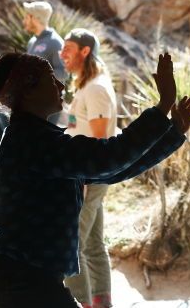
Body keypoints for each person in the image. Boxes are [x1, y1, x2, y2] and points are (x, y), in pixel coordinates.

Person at [0, 51, 190, 307]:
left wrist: (173, 133)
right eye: (51, 78)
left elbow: (112, 170)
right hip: (24, 284)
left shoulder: (34, 136)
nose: (60, 85)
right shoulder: (32, 140)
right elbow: (109, 157)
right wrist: (162, 106)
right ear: (29, 90)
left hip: (25, 282)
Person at [59, 29, 116, 308]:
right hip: (86, 176)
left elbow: (99, 140)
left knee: (72, 246)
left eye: (68, 47)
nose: (62, 53)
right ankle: (100, 303)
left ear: (84, 51)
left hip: (88, 178)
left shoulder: (95, 88)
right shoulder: (86, 84)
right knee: (92, 244)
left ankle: (80, 303)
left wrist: (83, 179)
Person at [24, 0, 67, 125]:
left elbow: (64, 73)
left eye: (27, 16)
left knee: (42, 143)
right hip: (31, 102)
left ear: (35, 18)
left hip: (49, 104)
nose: (24, 20)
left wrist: (42, 76)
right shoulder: (32, 41)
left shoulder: (56, 42)